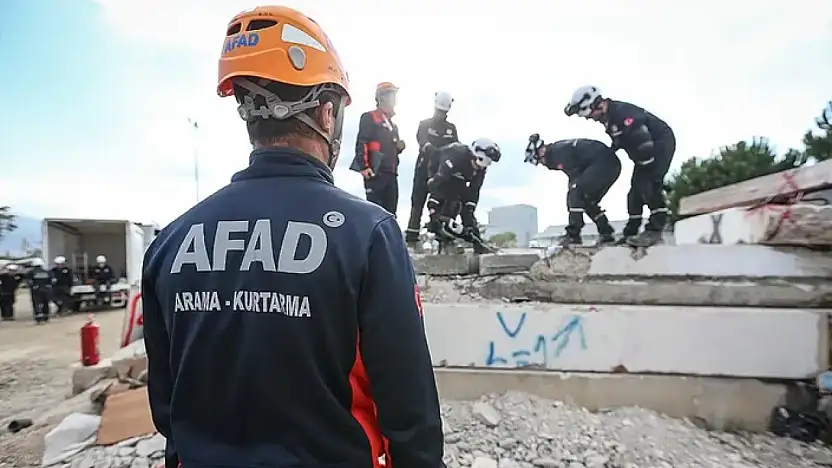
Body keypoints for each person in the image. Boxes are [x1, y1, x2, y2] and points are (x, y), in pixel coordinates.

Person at [140, 7, 442, 468]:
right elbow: (409, 413)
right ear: (326, 112)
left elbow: (168, 408)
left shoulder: (169, 243)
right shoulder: (370, 235)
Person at [564, 85, 676, 247]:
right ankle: (631, 233)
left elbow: (642, 141)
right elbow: (620, 140)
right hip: (642, 151)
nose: (590, 119)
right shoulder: (610, 118)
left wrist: (651, 173)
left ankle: (655, 230)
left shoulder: (623, 114)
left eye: (590, 114)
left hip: (658, 144)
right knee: (633, 194)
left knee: (647, 184)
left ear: (599, 105)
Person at [524, 134, 621, 246]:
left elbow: (574, 176)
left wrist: (573, 189)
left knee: (575, 194)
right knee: (586, 200)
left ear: (541, 152)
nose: (542, 164)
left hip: (603, 163)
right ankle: (606, 233)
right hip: (609, 164)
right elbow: (576, 173)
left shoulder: (557, 153)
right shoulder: (558, 151)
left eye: (539, 161)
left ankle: (573, 235)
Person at [426, 138, 501, 254]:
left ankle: (477, 242)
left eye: (481, 167)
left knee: (465, 207)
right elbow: (437, 184)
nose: (478, 169)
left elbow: (473, 192)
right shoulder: (456, 154)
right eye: (476, 165)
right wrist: (433, 207)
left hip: (457, 178)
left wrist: (470, 221)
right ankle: (443, 241)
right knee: (449, 204)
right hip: (436, 171)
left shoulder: (481, 169)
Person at [405, 91, 459, 248]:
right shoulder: (424, 125)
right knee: (417, 203)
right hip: (423, 170)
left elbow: (456, 149)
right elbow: (423, 143)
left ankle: (443, 238)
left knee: (439, 205)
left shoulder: (451, 128)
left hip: (442, 174)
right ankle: (412, 239)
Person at [350, 82, 406, 215]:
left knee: (391, 214)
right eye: (392, 95)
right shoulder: (369, 117)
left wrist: (399, 147)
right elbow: (362, 141)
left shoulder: (393, 126)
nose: (395, 99)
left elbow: (391, 148)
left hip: (391, 173)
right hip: (375, 173)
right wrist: (364, 167)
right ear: (382, 97)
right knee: (375, 213)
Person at [27, 258, 53, 324]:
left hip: (36, 290)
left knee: (37, 304)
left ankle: (39, 319)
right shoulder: (47, 272)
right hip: (46, 290)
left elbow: (29, 281)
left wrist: (32, 286)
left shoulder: (30, 272)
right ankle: (46, 317)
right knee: (46, 303)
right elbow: (52, 281)